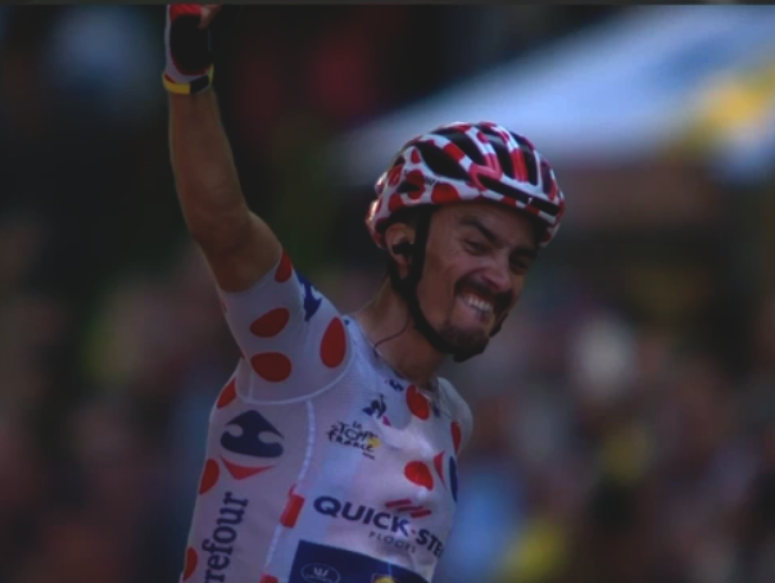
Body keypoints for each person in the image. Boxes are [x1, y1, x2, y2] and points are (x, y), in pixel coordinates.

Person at [163, 5, 566, 582]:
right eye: (477, 244)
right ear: (402, 242)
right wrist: (187, 64)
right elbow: (222, 225)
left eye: (517, 261)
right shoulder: (310, 351)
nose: (500, 277)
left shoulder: (453, 419)